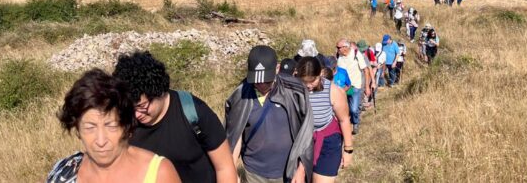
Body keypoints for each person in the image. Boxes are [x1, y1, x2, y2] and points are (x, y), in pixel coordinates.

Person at [112, 51, 237, 183]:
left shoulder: (193, 111)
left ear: (158, 91)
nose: (136, 114)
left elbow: (225, 167)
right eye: (130, 107)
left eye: (142, 106)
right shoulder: (124, 122)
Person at [47, 69, 181, 183]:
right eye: (90, 128)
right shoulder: (64, 171)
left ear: (127, 127)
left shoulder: (159, 174)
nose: (101, 141)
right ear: (77, 130)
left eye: (111, 126)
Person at [225, 45, 313, 183]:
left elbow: (306, 132)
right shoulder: (240, 94)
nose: (261, 85)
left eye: (266, 80)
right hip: (253, 171)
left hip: (286, 171)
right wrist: (231, 170)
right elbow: (235, 135)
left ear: (277, 69)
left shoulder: (295, 91)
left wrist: (301, 169)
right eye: (256, 80)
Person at [296, 57, 354, 183]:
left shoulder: (332, 91)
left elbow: (344, 120)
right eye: (304, 81)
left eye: (312, 81)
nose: (308, 85)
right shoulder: (294, 89)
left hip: (327, 143)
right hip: (301, 143)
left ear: (320, 74)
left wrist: (348, 149)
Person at [336, 39, 371, 135]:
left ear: (345, 47)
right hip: (343, 88)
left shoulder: (356, 54)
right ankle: (345, 126)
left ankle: (355, 123)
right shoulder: (339, 58)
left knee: (354, 109)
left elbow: (366, 70)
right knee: (344, 109)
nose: (337, 49)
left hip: (355, 86)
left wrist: (367, 87)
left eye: (338, 47)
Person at [357, 40, 376, 110]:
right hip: (355, 81)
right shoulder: (355, 55)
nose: (362, 52)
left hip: (362, 80)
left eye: (363, 50)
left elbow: (369, 69)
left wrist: (373, 82)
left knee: (361, 95)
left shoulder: (364, 56)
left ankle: (361, 107)